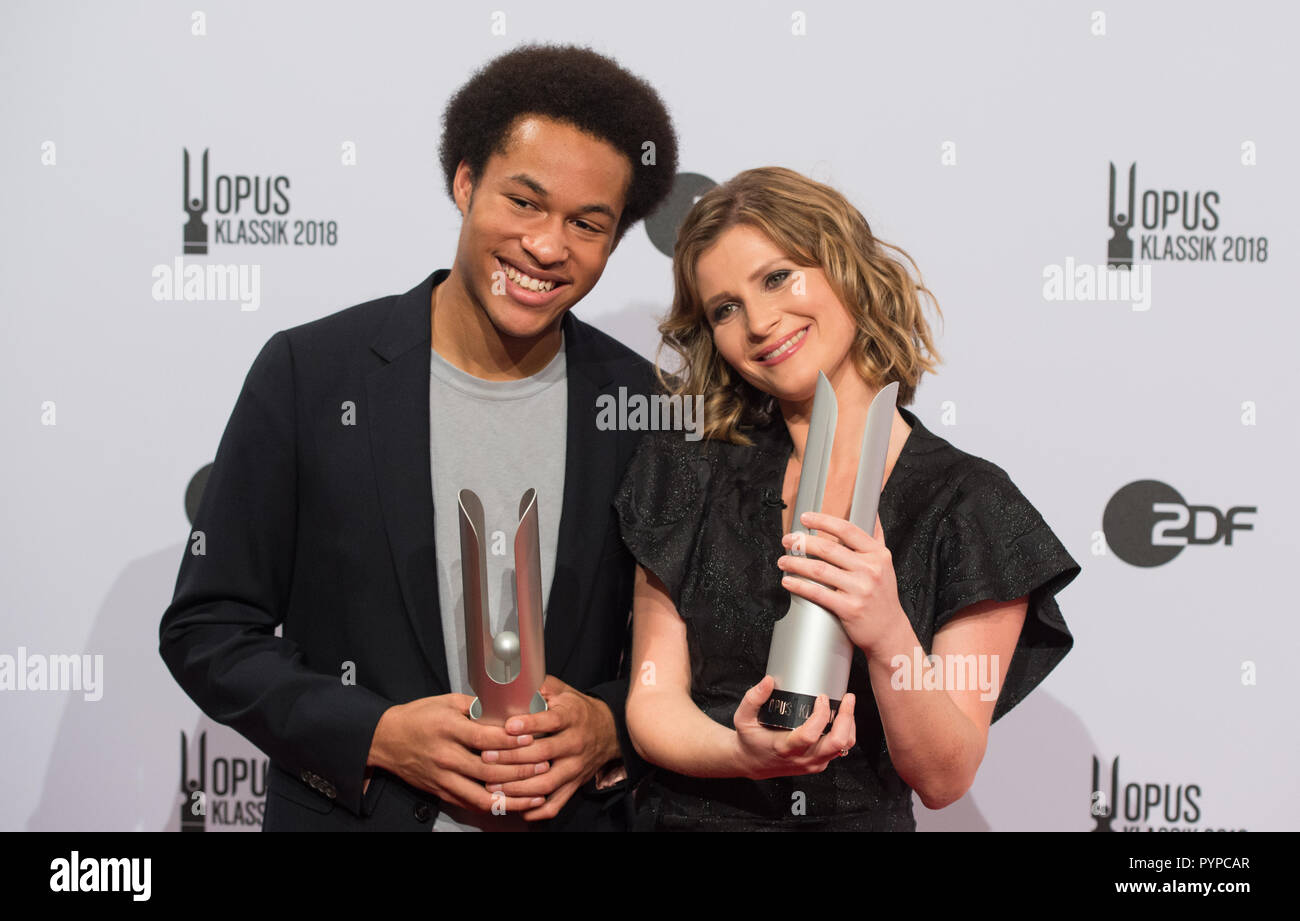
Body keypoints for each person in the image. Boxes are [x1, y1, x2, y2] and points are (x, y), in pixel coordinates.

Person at [159, 44, 678, 831]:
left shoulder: (642, 404)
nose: (546, 246)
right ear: (465, 182)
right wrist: (375, 735)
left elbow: (691, 648)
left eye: (586, 223)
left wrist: (609, 725)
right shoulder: (311, 373)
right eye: (525, 202)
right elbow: (207, 629)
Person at [616, 167, 1080, 831]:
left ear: (845, 266)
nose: (760, 321)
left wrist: (888, 632)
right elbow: (652, 703)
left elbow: (945, 774)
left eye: (778, 277)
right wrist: (741, 752)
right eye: (724, 308)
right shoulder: (683, 472)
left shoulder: (970, 505)